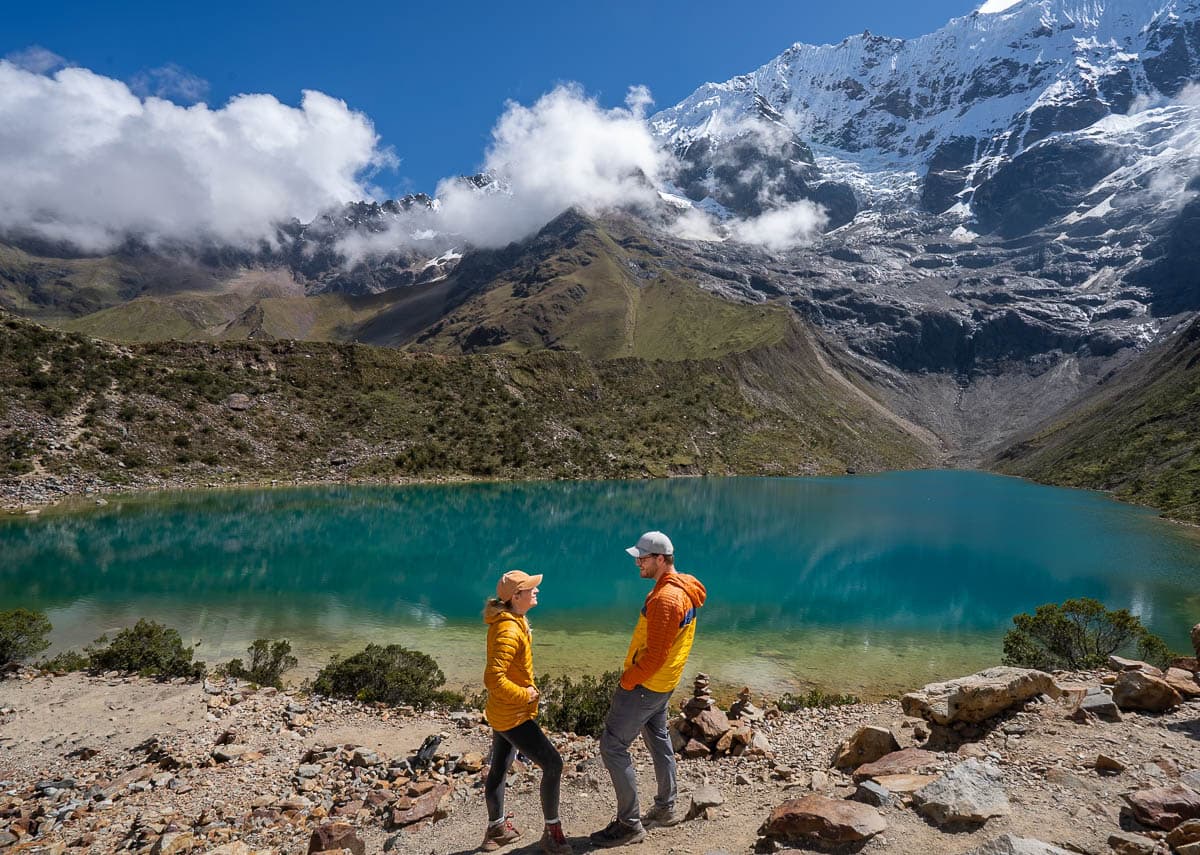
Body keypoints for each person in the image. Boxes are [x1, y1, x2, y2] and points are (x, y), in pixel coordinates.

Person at [590, 531, 707, 848]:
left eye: (642, 558)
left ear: (660, 559)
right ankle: (666, 807)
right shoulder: (683, 588)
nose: (637, 562)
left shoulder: (666, 599)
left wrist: (627, 680)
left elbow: (655, 655)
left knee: (613, 747)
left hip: (644, 686)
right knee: (658, 740)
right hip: (663, 685)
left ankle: (629, 824)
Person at [481, 570, 571, 854]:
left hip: (502, 712)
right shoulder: (508, 629)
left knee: (500, 766)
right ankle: (552, 835)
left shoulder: (513, 620)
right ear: (516, 596)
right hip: (513, 714)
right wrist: (526, 694)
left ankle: (496, 830)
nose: (537, 591)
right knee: (553, 765)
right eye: (531, 588)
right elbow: (493, 678)